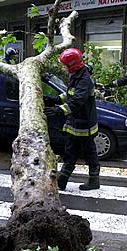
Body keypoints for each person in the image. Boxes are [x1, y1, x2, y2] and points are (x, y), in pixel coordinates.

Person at [45, 48, 100, 191]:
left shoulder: (85, 80)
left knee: (89, 153)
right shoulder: (76, 75)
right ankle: (62, 181)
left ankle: (94, 181)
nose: (64, 68)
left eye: (65, 65)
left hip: (85, 124)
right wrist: (54, 99)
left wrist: (58, 110)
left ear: (72, 65)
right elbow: (69, 94)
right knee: (69, 151)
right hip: (75, 122)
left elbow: (77, 101)